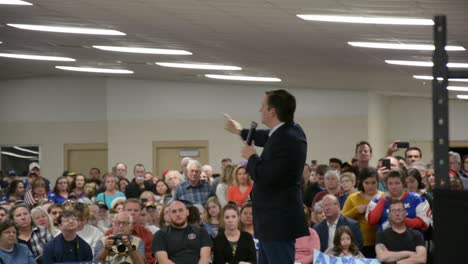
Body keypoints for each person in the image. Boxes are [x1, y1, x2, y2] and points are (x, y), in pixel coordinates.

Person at [225, 89, 309, 264]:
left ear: (272, 111)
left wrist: (252, 157)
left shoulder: (287, 138)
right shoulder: (288, 131)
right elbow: (266, 136)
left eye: (262, 106)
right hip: (271, 220)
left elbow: (267, 176)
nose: (259, 109)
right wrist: (240, 131)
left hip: (277, 220)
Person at [367, 169, 431, 232]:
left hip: (413, 240)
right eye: (390, 183)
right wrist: (382, 201)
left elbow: (424, 222)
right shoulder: (376, 201)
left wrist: (401, 221)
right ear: (386, 185)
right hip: (385, 241)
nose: (393, 187)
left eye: (397, 183)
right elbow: (371, 221)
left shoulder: (417, 199)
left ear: (403, 184)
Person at [341, 167, 383, 258]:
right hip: (359, 243)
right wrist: (355, 210)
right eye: (367, 183)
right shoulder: (353, 198)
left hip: (382, 242)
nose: (370, 186)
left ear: (378, 182)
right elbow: (342, 219)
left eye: (373, 183)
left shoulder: (383, 197)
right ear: (361, 183)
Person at [375, 199, 427, 264]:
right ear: (389, 215)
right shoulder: (381, 234)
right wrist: (409, 254)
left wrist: (396, 262)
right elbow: (382, 257)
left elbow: (421, 259)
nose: (397, 214)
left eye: (400, 210)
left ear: (405, 213)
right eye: (394, 211)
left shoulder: (416, 234)